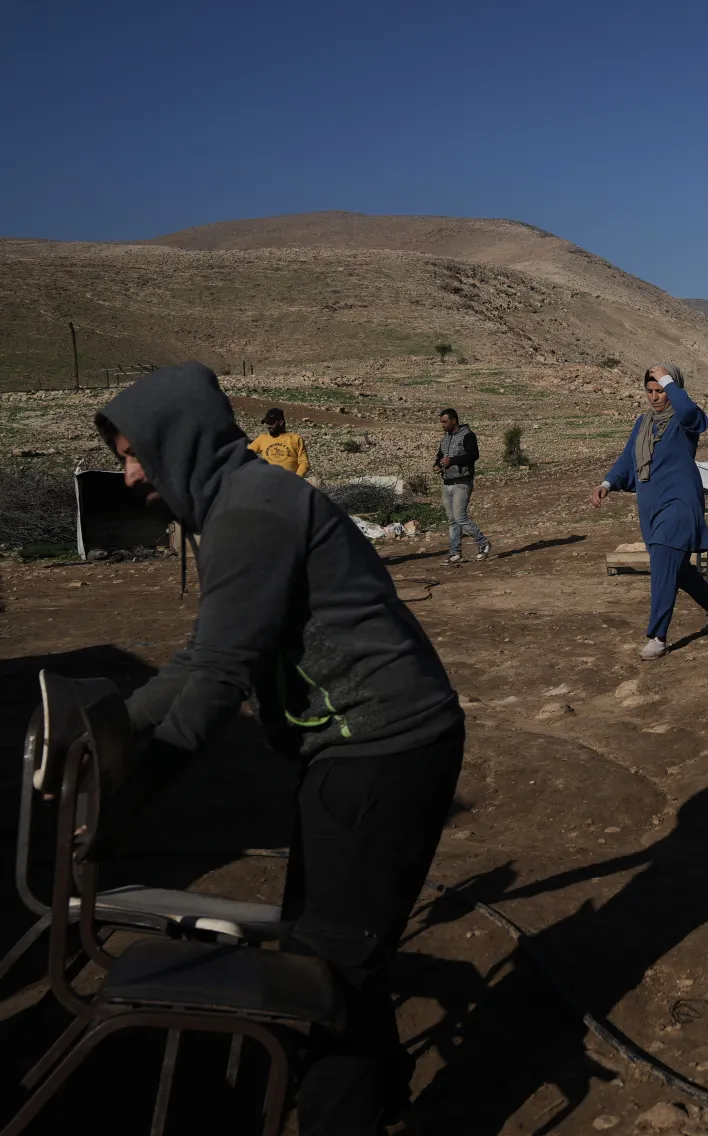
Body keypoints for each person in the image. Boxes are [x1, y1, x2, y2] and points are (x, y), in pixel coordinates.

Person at [94, 362, 464, 1134]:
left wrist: (125, 801)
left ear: (178, 442)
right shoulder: (239, 502)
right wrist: (117, 725)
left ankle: (344, 1115)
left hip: (381, 746)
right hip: (358, 745)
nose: (129, 476)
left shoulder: (249, 512)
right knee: (331, 942)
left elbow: (218, 679)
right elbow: (201, 656)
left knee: (329, 965)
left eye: (135, 456)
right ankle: (380, 1092)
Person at [591, 364, 708, 660]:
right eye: (650, 391)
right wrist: (607, 483)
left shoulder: (684, 422)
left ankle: (658, 635)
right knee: (674, 568)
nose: (655, 397)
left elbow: (688, 409)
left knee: (663, 565)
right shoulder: (643, 423)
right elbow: (628, 460)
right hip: (651, 509)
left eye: (661, 391)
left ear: (672, 390)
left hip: (679, 505)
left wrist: (668, 380)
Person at [435, 408, 489, 563]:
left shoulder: (468, 435)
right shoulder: (445, 439)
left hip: (462, 482)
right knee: (452, 519)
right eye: (441, 422)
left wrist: (452, 461)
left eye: (445, 422)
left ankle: (483, 543)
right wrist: (436, 465)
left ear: (454, 421)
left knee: (460, 517)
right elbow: (440, 456)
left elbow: (473, 455)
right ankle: (455, 553)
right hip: (447, 482)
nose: (442, 425)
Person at [248, 407, 311, 478]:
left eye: (271, 423)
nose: (269, 426)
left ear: (281, 422)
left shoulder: (295, 439)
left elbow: (304, 463)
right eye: (267, 423)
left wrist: (296, 479)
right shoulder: (262, 438)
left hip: (289, 481)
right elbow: (246, 455)